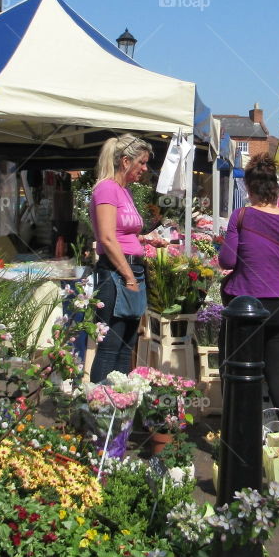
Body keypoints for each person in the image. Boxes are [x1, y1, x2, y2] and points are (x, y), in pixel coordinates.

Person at [218, 154, 279, 427]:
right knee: (277, 377)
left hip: (244, 307)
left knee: (237, 371)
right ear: (277, 191)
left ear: (249, 190)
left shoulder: (242, 216)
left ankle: (239, 431)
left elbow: (226, 261)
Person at [88, 133, 159, 382]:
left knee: (126, 347)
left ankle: (119, 409)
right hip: (116, 275)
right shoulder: (107, 189)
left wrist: (144, 243)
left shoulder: (124, 191)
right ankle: (99, 408)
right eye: (141, 162)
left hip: (130, 273)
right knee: (110, 347)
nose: (145, 168)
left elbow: (122, 233)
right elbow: (107, 238)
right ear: (125, 161)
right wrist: (129, 278)